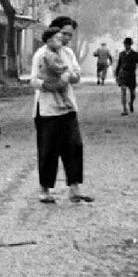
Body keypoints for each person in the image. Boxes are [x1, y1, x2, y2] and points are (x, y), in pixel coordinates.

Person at [30, 17, 92, 204]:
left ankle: (74, 189)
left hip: (68, 107)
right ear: (53, 33)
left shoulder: (69, 54)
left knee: (74, 146)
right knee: (48, 149)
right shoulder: (41, 54)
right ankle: (45, 189)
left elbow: (76, 75)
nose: (66, 38)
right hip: (47, 109)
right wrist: (49, 85)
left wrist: (70, 78)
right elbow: (33, 80)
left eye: (69, 35)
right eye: (63, 34)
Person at [115, 37, 138, 115]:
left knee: (133, 93)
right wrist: (116, 75)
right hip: (123, 74)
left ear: (131, 45)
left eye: (128, 44)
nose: (127, 46)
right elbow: (119, 65)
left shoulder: (135, 54)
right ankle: (125, 109)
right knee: (123, 91)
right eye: (125, 44)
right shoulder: (121, 54)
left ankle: (131, 103)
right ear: (124, 45)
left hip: (132, 75)